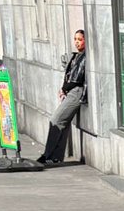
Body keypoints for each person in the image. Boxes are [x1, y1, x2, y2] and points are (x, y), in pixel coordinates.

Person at [37, 29, 87, 165]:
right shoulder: (76, 56)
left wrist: (64, 89)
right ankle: (56, 156)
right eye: (75, 39)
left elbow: (76, 79)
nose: (77, 42)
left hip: (77, 91)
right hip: (71, 91)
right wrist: (63, 90)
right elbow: (69, 76)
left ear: (86, 40)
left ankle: (48, 155)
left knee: (56, 120)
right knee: (62, 123)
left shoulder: (85, 57)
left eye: (80, 39)